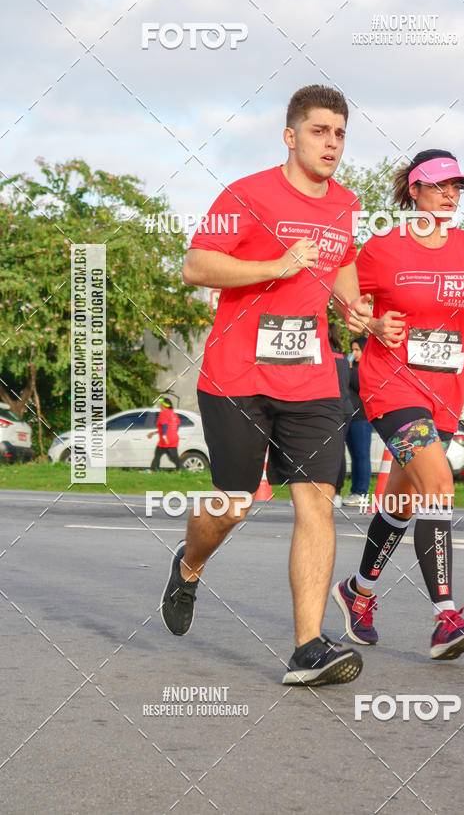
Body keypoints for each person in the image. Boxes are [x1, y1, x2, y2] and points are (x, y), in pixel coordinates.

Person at [160, 85, 371, 686]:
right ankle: (190, 564)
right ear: (290, 135)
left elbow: (342, 262)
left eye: (339, 134)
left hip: (312, 377)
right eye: (319, 131)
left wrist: (354, 308)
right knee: (233, 503)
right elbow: (196, 265)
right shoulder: (246, 194)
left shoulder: (345, 204)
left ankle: (308, 648)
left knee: (317, 500)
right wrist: (275, 266)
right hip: (237, 377)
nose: (331, 143)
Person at [332, 148, 464, 660]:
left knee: (403, 502)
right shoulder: (383, 249)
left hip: (445, 393)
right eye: (440, 185)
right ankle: (446, 618)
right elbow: (343, 300)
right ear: (415, 190)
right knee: (439, 484)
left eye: (457, 187)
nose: (450, 195)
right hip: (392, 386)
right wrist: (371, 322)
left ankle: (358, 591)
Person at [342, 336, 373, 506]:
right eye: (352, 350)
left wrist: (348, 370)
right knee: (354, 455)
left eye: (357, 350)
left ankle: (362, 492)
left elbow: (361, 385)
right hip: (349, 416)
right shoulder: (352, 367)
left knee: (362, 455)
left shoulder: (365, 368)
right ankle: (355, 490)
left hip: (362, 418)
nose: (353, 353)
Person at [328, 321, 353, 507]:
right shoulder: (343, 357)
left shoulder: (322, 357)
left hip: (329, 408)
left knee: (316, 452)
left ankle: (323, 492)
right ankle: (336, 492)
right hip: (345, 408)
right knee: (339, 450)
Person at [147, 398, 181, 471]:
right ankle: (181, 470)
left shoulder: (163, 414)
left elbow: (164, 425)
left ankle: (153, 470)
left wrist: (165, 436)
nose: (160, 405)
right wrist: (153, 433)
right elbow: (177, 426)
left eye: (160, 404)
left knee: (158, 455)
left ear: (163, 405)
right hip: (174, 438)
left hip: (165, 439)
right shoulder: (174, 414)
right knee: (173, 457)